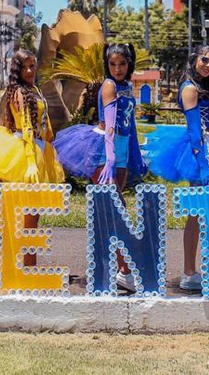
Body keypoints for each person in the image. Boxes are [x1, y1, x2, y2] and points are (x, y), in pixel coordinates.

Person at [54, 43, 146, 291]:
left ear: (129, 64)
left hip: (123, 148)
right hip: (104, 150)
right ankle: (122, 269)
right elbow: (111, 125)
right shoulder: (109, 86)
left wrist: (133, 152)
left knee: (115, 208)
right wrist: (111, 158)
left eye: (122, 63)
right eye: (112, 64)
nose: (117, 68)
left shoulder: (127, 86)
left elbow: (129, 125)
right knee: (116, 208)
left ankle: (114, 268)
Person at [143, 46, 209, 291]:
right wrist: (203, 167)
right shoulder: (190, 88)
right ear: (194, 60)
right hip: (199, 153)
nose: (208, 65)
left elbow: (202, 121)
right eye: (205, 60)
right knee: (197, 213)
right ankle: (189, 271)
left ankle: (204, 268)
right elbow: (194, 130)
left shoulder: (200, 87)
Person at [0, 49, 64, 266]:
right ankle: (24, 265)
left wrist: (49, 146)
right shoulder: (19, 92)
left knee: (34, 212)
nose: (30, 70)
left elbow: (44, 125)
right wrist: (32, 161)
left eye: (32, 65)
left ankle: (26, 263)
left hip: (39, 149)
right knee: (26, 212)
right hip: (25, 152)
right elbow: (26, 126)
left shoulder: (34, 89)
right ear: (17, 70)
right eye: (25, 67)